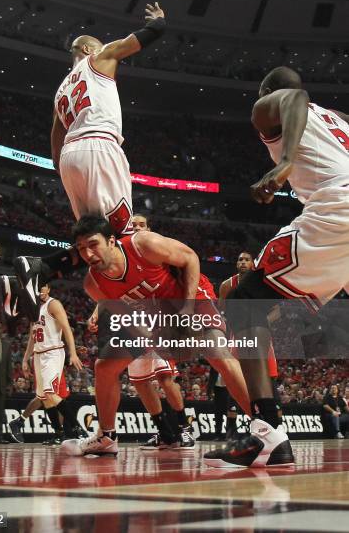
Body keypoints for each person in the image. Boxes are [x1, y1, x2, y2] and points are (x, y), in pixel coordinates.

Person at [204, 66, 349, 467]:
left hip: (338, 209)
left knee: (243, 297)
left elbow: (294, 98)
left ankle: (266, 433)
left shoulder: (274, 103)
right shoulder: (336, 118)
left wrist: (284, 163)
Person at [3, 3, 167, 323]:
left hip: (69, 156)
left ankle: (37, 272)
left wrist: (60, 165)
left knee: (93, 236)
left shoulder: (62, 89)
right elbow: (141, 40)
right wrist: (158, 23)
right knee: (118, 231)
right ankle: (42, 267)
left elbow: (55, 133)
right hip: (99, 147)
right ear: (89, 48)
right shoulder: (100, 57)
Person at [61, 215, 250, 457]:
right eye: (81, 249)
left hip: (187, 294)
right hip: (151, 315)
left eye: (93, 244)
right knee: (105, 367)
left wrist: (187, 308)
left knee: (218, 354)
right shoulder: (93, 284)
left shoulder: (144, 245)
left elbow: (191, 258)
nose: (88, 254)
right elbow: (127, 316)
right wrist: (149, 335)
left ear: (110, 241)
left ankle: (266, 429)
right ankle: (107, 436)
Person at [88, 213, 194, 450]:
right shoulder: (114, 259)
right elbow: (109, 292)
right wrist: (97, 311)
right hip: (135, 322)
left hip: (160, 318)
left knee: (165, 378)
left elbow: (183, 265)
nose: (137, 228)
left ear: (149, 228)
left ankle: (185, 429)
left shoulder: (151, 248)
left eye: (142, 225)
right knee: (140, 381)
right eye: (133, 224)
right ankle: (166, 433)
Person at [219, 251, 281, 440]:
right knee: (236, 380)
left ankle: (275, 426)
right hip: (237, 335)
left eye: (247, 259)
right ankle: (231, 430)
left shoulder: (263, 282)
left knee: (268, 380)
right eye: (240, 259)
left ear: (254, 263)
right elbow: (222, 311)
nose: (243, 262)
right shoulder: (227, 285)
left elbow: (276, 311)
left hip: (259, 333)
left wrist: (259, 322)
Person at [9, 285, 83, 445]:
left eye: (42, 288)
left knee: (51, 394)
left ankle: (78, 429)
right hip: (38, 354)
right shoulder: (34, 308)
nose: (40, 291)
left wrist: (73, 352)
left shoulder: (54, 304)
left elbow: (66, 329)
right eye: (37, 288)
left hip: (53, 352)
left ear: (48, 289)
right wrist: (25, 358)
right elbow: (32, 336)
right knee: (45, 398)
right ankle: (59, 434)